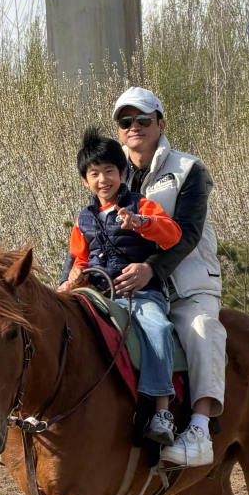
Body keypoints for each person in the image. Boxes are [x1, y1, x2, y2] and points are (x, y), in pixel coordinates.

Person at [109, 87, 226, 468]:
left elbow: (188, 233)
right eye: (126, 121)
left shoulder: (190, 169)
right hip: (129, 287)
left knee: (203, 329)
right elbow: (90, 226)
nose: (134, 127)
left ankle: (200, 429)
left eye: (143, 119)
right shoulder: (110, 172)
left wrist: (151, 269)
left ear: (161, 123)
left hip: (186, 286)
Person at [59, 128, 183, 448]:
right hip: (97, 296)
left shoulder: (141, 204)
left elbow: (172, 234)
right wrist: (72, 279)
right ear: (85, 181)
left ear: (123, 172)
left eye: (109, 171)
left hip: (140, 295)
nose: (103, 179)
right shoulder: (83, 220)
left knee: (157, 328)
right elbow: (79, 258)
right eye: (95, 174)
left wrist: (142, 223)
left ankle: (162, 411)